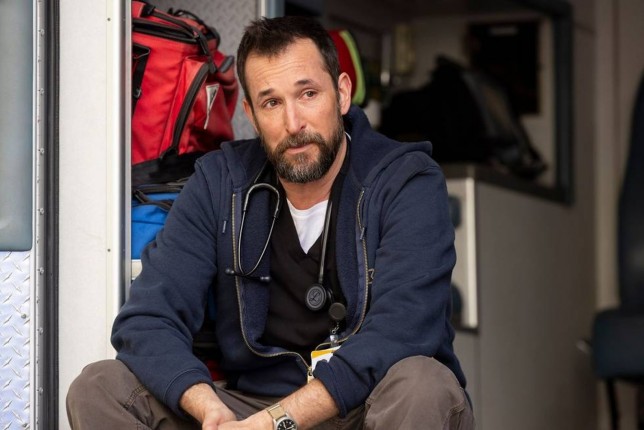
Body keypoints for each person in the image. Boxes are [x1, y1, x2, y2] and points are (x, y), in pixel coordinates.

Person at [66, 15, 474, 430]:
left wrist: (274, 423)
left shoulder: (406, 180)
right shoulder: (219, 181)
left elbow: (403, 329)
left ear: (342, 93)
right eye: (271, 103)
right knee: (101, 386)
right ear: (251, 114)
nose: (293, 124)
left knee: (424, 385)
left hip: (366, 407)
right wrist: (208, 408)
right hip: (250, 407)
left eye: (308, 94)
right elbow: (148, 320)